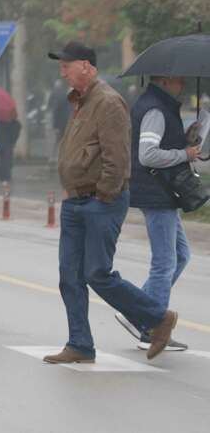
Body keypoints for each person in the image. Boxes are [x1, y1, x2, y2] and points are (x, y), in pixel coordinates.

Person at [44, 41, 178, 364]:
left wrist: (103, 194)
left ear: (86, 66)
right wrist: (72, 188)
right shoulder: (79, 101)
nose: (62, 73)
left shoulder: (108, 101)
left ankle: (158, 318)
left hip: (100, 201)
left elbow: (117, 158)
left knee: (97, 273)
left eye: (66, 66)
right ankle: (80, 344)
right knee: (69, 277)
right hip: (76, 201)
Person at [116, 76, 198, 351]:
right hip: (156, 193)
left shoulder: (161, 105)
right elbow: (148, 155)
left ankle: (136, 312)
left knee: (181, 256)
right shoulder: (155, 109)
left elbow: (160, 144)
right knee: (164, 263)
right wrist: (185, 154)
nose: (182, 85)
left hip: (162, 193)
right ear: (164, 80)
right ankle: (153, 329)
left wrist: (183, 139)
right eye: (178, 80)